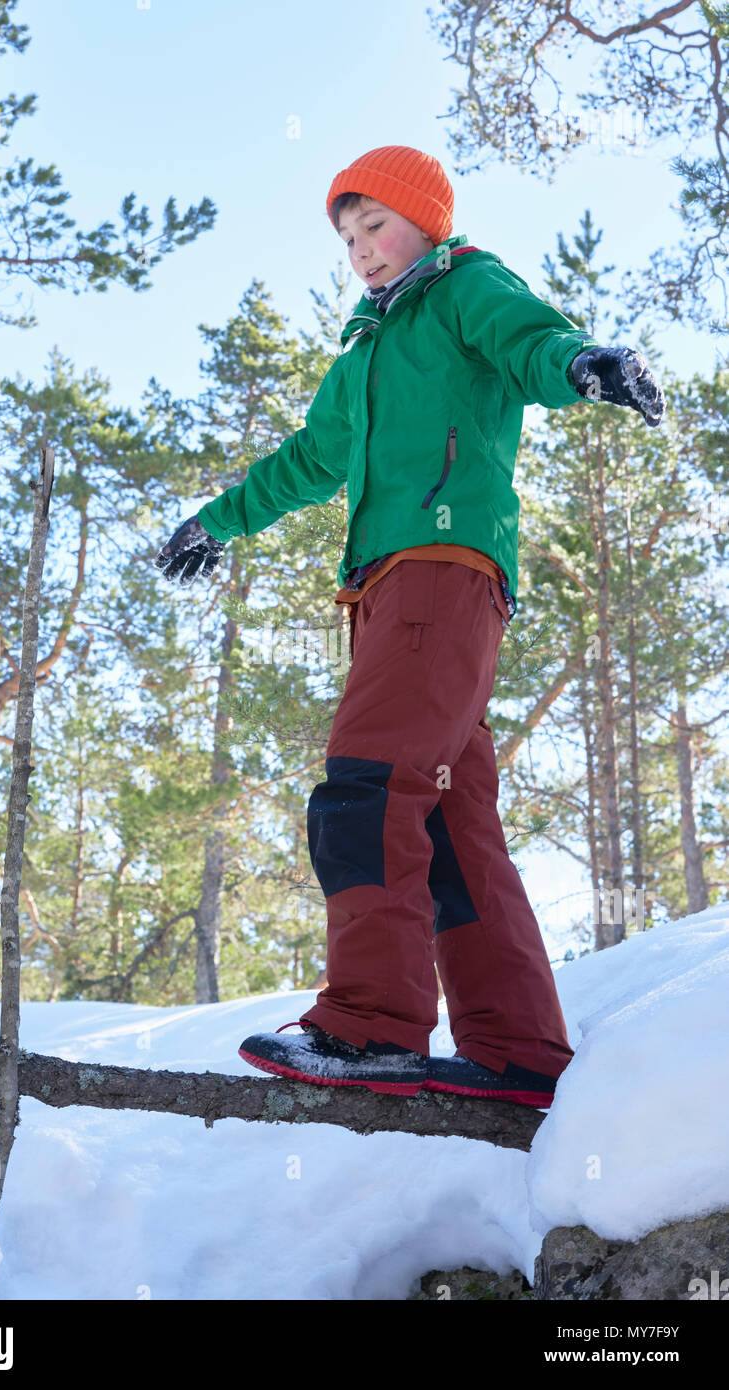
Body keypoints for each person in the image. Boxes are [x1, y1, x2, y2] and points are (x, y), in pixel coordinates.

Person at [154, 145, 665, 1108]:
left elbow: (532, 344)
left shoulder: (467, 287)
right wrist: (213, 520)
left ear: (425, 219)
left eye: (375, 226)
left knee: (366, 789)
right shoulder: (361, 354)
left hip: (443, 569)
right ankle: (519, 1049)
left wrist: (586, 363)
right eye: (346, 238)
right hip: (388, 593)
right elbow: (311, 459)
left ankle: (369, 1026)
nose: (360, 250)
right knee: (450, 815)